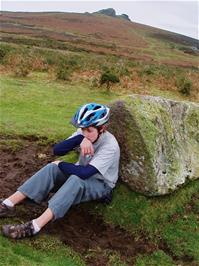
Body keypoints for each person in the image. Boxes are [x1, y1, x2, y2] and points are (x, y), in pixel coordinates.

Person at [0, 103, 120, 239]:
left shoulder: (110, 145)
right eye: (82, 129)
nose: (85, 132)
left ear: (102, 128)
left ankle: (34, 226)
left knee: (75, 178)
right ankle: (7, 205)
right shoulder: (83, 134)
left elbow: (85, 173)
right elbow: (57, 150)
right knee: (52, 168)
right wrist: (81, 138)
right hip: (80, 173)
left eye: (89, 130)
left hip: (101, 184)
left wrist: (61, 163)